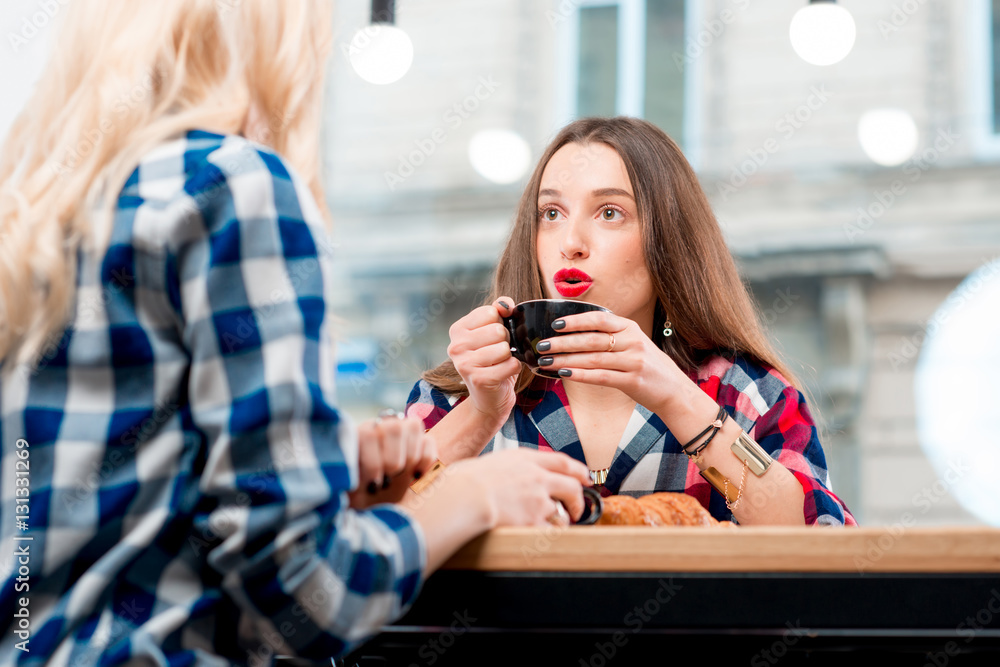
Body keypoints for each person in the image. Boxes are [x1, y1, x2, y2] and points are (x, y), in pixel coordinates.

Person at [0, 2, 591, 665]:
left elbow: (116, 512)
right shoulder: (236, 186)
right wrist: (474, 493)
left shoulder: (37, 212)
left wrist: (326, 486)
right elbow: (309, 598)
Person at [407, 117, 856, 527]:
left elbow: (819, 547)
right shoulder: (459, 392)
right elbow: (374, 546)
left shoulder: (747, 392)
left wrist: (678, 397)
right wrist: (483, 413)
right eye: (551, 214)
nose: (571, 243)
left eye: (609, 213)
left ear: (669, 239)